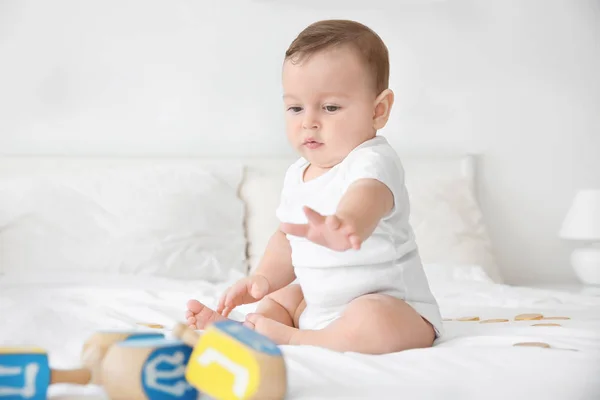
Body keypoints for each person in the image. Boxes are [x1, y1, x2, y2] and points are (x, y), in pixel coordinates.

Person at [185, 19, 443, 354]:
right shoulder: (297, 175)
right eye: (295, 107)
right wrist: (261, 279)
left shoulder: (373, 160)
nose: (308, 121)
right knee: (283, 297)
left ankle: (295, 339)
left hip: (397, 310)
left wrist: (346, 224)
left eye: (331, 107)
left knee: (371, 316)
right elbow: (286, 240)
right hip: (320, 307)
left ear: (378, 111)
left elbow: (367, 197)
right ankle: (247, 331)